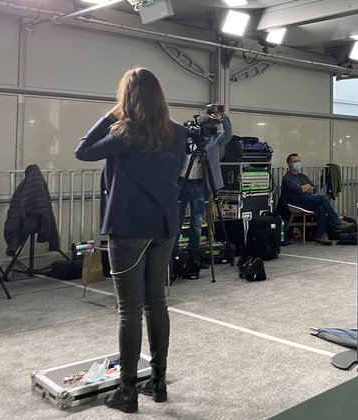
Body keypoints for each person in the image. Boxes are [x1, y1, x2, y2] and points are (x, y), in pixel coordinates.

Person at [75, 67, 186, 413]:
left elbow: (82, 149)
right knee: (157, 303)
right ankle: (158, 381)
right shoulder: (179, 134)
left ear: (128, 98)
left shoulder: (124, 133)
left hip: (129, 228)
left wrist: (111, 112)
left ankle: (127, 391)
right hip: (164, 226)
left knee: (129, 311)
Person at [178, 107, 232, 255]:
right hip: (181, 183)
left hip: (200, 184)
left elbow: (228, 134)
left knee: (196, 221)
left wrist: (223, 117)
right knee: (176, 219)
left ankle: (193, 253)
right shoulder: (186, 138)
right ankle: (173, 252)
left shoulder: (214, 139)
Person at [280, 153, 354, 245]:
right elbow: (299, 190)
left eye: (299, 161)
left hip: (307, 200)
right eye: (295, 161)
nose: (298, 163)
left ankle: (321, 235)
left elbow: (313, 188)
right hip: (295, 203)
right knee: (323, 198)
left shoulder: (302, 176)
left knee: (321, 208)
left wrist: (305, 187)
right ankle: (337, 221)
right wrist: (306, 187)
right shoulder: (287, 178)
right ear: (289, 164)